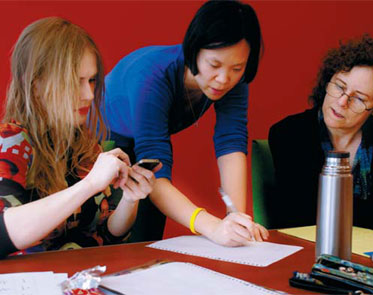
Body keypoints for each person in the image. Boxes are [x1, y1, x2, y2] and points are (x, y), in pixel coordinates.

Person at [0, 17, 161, 260]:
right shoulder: (11, 138)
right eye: (75, 82)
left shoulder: (84, 143)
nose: (88, 94)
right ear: (36, 85)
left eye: (92, 80)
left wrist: (129, 198)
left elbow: (107, 236)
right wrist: (89, 185)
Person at [104, 0, 268, 245]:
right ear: (193, 50)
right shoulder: (152, 77)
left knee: (149, 236)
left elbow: (231, 142)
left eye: (237, 67)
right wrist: (213, 228)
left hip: (147, 153)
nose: (224, 79)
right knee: (115, 235)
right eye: (214, 65)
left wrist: (236, 218)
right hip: (100, 143)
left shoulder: (233, 78)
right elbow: (157, 169)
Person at [268, 34, 373, 239]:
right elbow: (308, 216)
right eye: (340, 87)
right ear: (328, 81)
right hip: (309, 255)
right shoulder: (289, 134)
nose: (342, 102)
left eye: (359, 98)